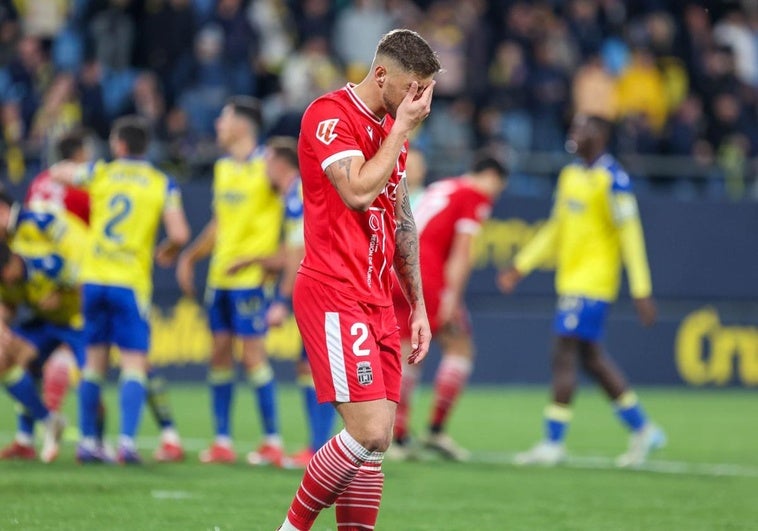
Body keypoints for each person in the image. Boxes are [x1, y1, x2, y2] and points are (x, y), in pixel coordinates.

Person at [278, 29, 439, 531]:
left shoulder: (396, 128)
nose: (422, 103)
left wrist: (417, 305)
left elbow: (401, 216)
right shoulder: (329, 116)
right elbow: (356, 192)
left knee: (376, 446)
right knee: (366, 431)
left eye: (428, 91)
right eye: (416, 89)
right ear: (382, 75)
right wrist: (401, 131)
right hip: (333, 290)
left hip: (377, 298)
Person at [498, 113, 666, 468]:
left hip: (594, 283)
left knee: (562, 352)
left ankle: (553, 442)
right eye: (571, 126)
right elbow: (556, 229)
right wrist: (520, 265)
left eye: (581, 128)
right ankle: (642, 428)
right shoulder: (571, 175)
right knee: (591, 360)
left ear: (600, 135)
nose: (573, 133)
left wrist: (641, 289)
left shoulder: (613, 180)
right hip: (571, 280)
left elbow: (630, 235)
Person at [51, 115, 191, 464]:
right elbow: (179, 234)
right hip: (129, 283)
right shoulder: (161, 182)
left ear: (120, 145)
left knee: (94, 365)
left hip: (95, 279)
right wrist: (168, 251)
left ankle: (86, 442)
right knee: (133, 365)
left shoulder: (102, 173)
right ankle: (126, 443)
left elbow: (59, 173)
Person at [176, 96, 286, 466]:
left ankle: (272, 440)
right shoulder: (223, 168)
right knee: (219, 353)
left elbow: (297, 210)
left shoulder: (270, 165)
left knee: (253, 355)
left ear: (242, 123)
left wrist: (280, 259)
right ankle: (222, 440)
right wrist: (191, 256)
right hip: (220, 279)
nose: (218, 125)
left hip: (252, 278)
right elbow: (219, 222)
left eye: (223, 118)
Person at [390, 150, 508, 461]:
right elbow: (462, 252)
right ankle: (435, 430)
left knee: (408, 353)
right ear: (492, 178)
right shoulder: (473, 194)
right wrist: (452, 298)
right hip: (428, 274)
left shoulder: (442, 187)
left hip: (398, 268)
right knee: (460, 347)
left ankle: (398, 436)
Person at [229, 136, 337, 469]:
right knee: (309, 366)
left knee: (317, 367)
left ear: (279, 164)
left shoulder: (297, 193)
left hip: (321, 287)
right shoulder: (303, 191)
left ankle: (320, 449)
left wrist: (281, 300)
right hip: (326, 282)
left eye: (265, 164)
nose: (262, 172)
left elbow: (296, 251)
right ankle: (317, 447)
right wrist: (255, 261)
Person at [0, 242, 70, 463]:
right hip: (41, 325)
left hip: (77, 324)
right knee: (4, 358)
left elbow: (82, 280)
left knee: (93, 373)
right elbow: (7, 305)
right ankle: (43, 425)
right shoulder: (6, 279)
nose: (6, 279)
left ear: (13, 261)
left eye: (5, 273)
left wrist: (61, 291)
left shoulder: (45, 264)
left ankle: (93, 443)